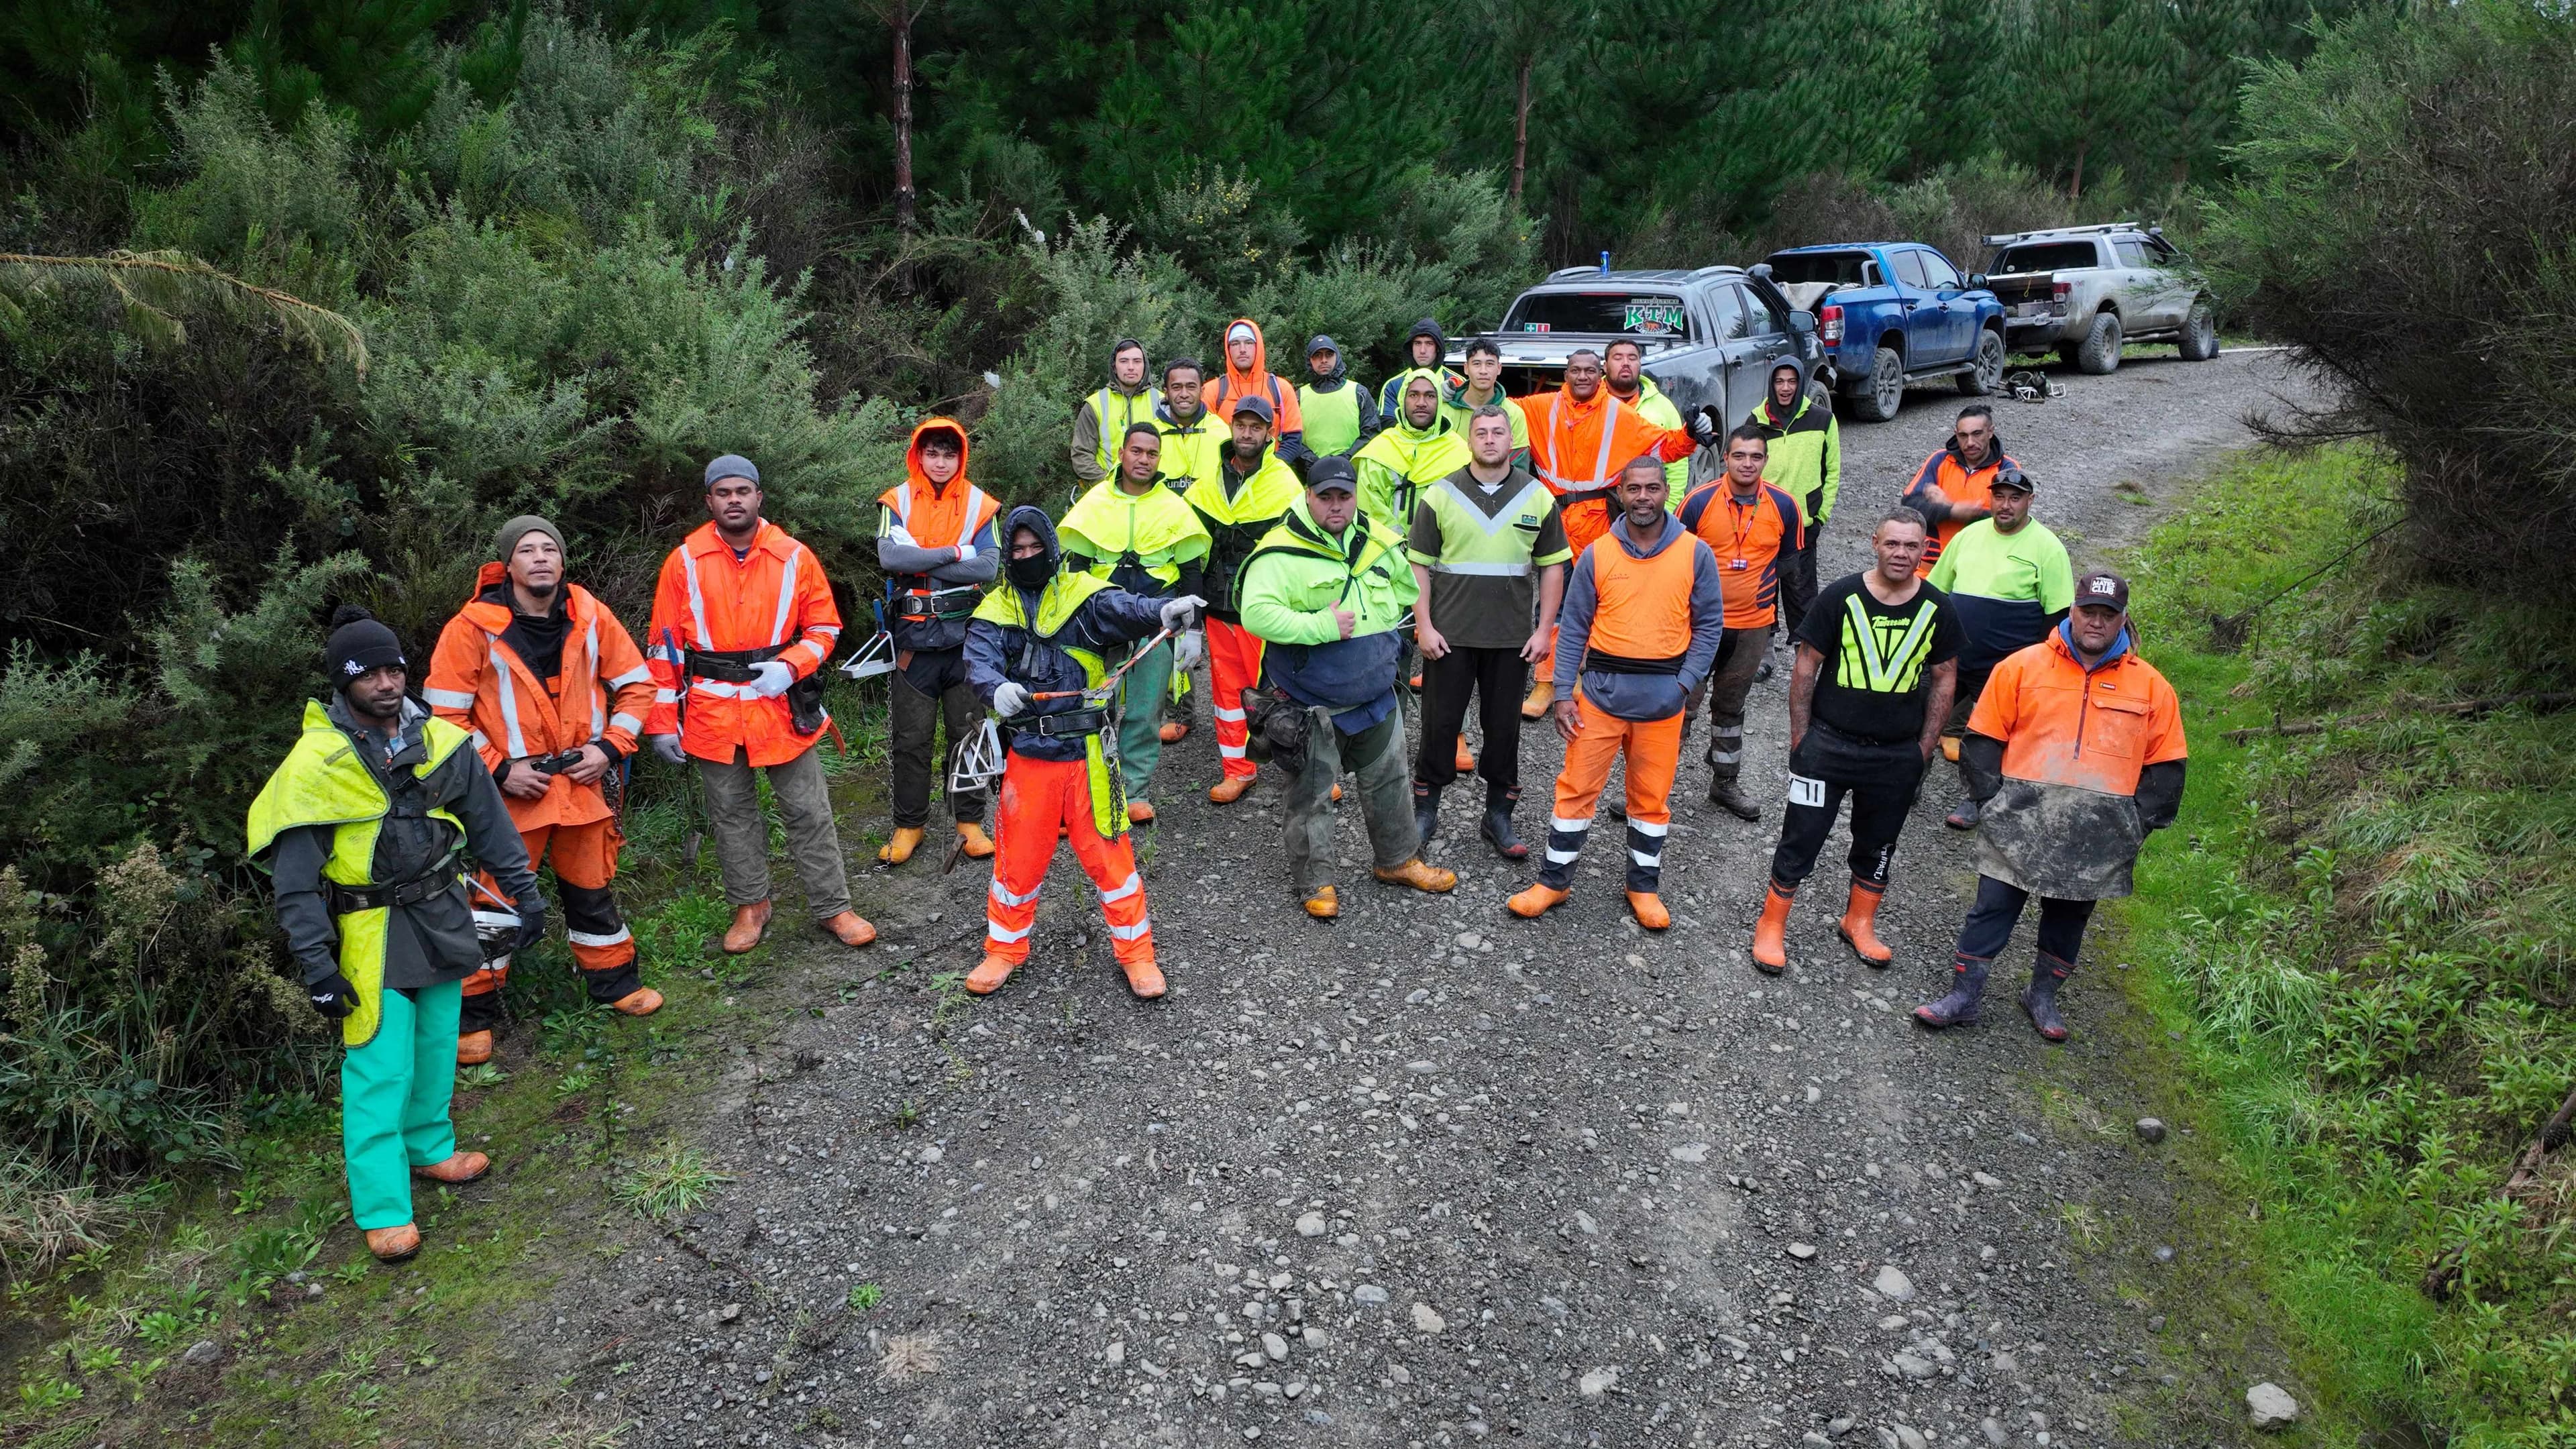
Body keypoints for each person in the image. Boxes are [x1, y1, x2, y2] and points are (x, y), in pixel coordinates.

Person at [248, 606, 545, 1262]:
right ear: (342, 682)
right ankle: (383, 1207)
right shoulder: (316, 764)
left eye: (394, 670)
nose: (386, 683)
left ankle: (430, 1148)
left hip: (443, 913)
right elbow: (296, 882)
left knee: (439, 1045)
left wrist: (525, 896)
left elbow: (491, 824)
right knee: (380, 1068)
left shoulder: (439, 742)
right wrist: (318, 966)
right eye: (369, 674)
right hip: (370, 931)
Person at [425, 516, 661, 1067]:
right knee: (493, 903)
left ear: (561, 561)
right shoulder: (472, 627)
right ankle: (473, 1017)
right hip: (509, 792)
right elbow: (443, 715)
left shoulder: (590, 613)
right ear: (507, 565)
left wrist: (608, 749)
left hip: (582, 782)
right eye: (527, 550)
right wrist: (500, 771)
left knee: (592, 888)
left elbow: (637, 686)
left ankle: (613, 983)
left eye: (549, 549)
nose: (540, 558)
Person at [1914, 573, 2185, 1040]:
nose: (2096, 622)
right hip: (2019, 818)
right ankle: (1964, 996)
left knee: (2069, 917)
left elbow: (2166, 767)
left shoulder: (2153, 687)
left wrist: (2134, 827)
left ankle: (2042, 996)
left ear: (2123, 618)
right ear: (2071, 612)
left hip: (2098, 829)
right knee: (1992, 907)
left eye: (2108, 614)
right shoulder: (2022, 667)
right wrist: (1992, 803)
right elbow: (1981, 741)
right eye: (2088, 611)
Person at [963, 508, 1203, 998]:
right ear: (1007, 556)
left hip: (1090, 757)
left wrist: (1164, 611)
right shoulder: (993, 613)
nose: (1027, 557)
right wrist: (995, 689)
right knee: (1017, 866)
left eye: (1035, 548)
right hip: (1028, 759)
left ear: (1052, 549)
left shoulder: (1084, 596)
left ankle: (1138, 956)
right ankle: (1004, 949)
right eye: (1018, 551)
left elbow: (1128, 607)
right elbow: (978, 661)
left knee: (1113, 863)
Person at [643, 455, 877, 953]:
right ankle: (751, 906)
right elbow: (663, 646)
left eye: (742, 491)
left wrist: (789, 666)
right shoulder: (683, 561)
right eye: (723, 492)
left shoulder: (793, 555)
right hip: (711, 710)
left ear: (758, 498)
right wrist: (662, 724)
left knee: (809, 810)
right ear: (710, 501)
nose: (734, 500)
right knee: (731, 815)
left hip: (780, 705)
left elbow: (825, 628)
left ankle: (834, 907)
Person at [1505, 456, 1724, 929]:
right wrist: (1564, 692)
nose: (1643, 497)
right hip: (1600, 698)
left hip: (1663, 702)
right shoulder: (1599, 554)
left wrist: (1685, 685)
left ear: (1667, 491)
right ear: (1619, 494)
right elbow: (1575, 625)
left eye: (1652, 488)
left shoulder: (1694, 553)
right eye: (1633, 489)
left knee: (1650, 799)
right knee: (1576, 790)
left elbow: (1710, 628)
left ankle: (1642, 887)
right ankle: (1553, 882)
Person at [1238, 456, 1457, 917]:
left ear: (1355, 496)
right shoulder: (1279, 552)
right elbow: (1255, 614)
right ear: (1308, 497)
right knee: (1310, 795)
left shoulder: (1378, 540)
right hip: (1310, 704)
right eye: (1325, 497)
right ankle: (1315, 882)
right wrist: (1321, 624)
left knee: (1391, 782)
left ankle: (1398, 860)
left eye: (1344, 496)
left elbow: (1406, 591)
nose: (1336, 506)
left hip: (1377, 695)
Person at [1749, 511, 1961, 973]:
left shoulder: (1938, 607)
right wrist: (1801, 739)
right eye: (1893, 544)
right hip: (1827, 745)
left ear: (1925, 549)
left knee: (1880, 842)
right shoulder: (1841, 596)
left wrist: (1923, 748)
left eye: (1911, 546)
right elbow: (1806, 667)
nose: (1901, 554)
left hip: (1895, 754)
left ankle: (1859, 922)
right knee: (1800, 836)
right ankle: (1772, 924)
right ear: (1875, 543)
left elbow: (1945, 679)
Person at [1408, 405, 1570, 859]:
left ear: (1511, 441)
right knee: (1439, 726)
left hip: (1511, 641)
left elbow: (1553, 568)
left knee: (1503, 732)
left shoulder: (1537, 496)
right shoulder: (1440, 495)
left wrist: (1544, 631)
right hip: (1450, 637)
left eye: (1499, 432)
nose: (1491, 440)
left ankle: (1498, 814)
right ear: (1470, 440)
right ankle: (1425, 812)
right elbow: (1418, 565)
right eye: (1482, 432)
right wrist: (1423, 625)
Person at [1515, 349, 1715, 717]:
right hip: (1554, 518)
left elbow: (1662, 446)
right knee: (1552, 602)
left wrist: (1692, 434)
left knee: (1597, 602)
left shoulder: (1619, 416)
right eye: (1576, 370)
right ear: (1567, 373)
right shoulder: (1541, 408)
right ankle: (1547, 682)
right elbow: (1497, 409)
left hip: (1596, 521)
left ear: (1601, 373)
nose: (1583, 377)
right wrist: (1455, 391)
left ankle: (1586, 676)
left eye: (1591, 370)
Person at [1058, 424, 1212, 822]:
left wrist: (1194, 630)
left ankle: (1134, 790)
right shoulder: (1094, 503)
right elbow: (1075, 568)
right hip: (1101, 623)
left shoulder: (1175, 508)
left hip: (1155, 624)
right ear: (1122, 454)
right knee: (1094, 709)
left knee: (1146, 711)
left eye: (1152, 454)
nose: (1144, 460)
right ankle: (1089, 791)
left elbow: (1191, 573)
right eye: (1137, 451)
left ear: (1159, 459)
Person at [873, 419, 1002, 866]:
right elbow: (891, 557)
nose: (941, 461)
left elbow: (987, 568)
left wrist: (922, 561)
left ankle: (968, 821)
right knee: (911, 739)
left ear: (960, 456)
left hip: (967, 640)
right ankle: (910, 825)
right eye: (933, 453)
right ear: (918, 454)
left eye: (949, 453)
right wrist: (954, 552)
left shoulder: (980, 504)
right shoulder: (898, 500)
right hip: (913, 641)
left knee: (969, 733)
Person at [1924, 466, 2073, 828]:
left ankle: (1978, 799)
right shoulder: (1969, 535)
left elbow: (2059, 615)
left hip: (2007, 666)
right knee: (1922, 716)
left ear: (2030, 501)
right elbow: (1936, 591)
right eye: (1999, 497)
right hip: (1953, 657)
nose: (2005, 505)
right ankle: (1906, 783)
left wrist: (2040, 666)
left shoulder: (2047, 547)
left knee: (1988, 735)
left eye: (2015, 498)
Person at [1182, 394, 1308, 803]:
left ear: (1270, 434)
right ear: (1231, 428)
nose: (1248, 433)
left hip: (1269, 608)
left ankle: (1306, 768)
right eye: (1242, 426)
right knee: (1228, 692)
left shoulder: (1285, 482)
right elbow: (1189, 550)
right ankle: (1238, 769)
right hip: (1220, 608)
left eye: (1257, 427)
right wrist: (1192, 615)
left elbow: (1301, 550)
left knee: (1287, 687)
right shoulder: (1208, 485)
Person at [1676, 427, 1803, 820]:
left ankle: (1725, 783)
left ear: (1766, 461)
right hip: (1700, 627)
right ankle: (1651, 786)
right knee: (1679, 706)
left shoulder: (1784, 505)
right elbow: (1674, 562)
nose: (1747, 464)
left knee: (1731, 707)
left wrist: (1773, 629)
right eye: (1739, 456)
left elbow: (1790, 566)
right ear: (1726, 459)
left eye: (1755, 457)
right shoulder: (1698, 502)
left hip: (1752, 628)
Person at [1151, 357, 1224, 745]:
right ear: (1167, 390)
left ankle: (1239, 712)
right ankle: (1180, 712)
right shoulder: (1150, 433)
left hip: (1214, 548)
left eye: (1190, 387)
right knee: (1175, 627)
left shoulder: (1219, 431)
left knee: (1225, 637)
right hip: (1167, 545)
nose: (1183, 394)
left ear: (1201, 390)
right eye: (1176, 387)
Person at [1744, 357, 1839, 639]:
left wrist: (1820, 517)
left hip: (1804, 524)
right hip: (1763, 522)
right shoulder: (1756, 421)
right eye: (1779, 381)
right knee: (1763, 590)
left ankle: (1803, 654)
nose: (1785, 388)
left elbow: (1832, 472)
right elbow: (1746, 472)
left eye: (1792, 381)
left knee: (1802, 593)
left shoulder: (1822, 420)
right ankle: (1765, 653)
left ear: (1801, 383)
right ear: (1772, 384)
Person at [1899, 403, 2019, 577]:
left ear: (1990, 432)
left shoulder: (2006, 468)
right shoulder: (1940, 460)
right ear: (1956, 433)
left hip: (1982, 570)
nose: (1970, 443)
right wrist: (1952, 511)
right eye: (1963, 436)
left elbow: (2011, 520)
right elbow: (1910, 505)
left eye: (1977, 434)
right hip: (1930, 570)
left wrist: (1951, 506)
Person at [1353, 372, 1468, 529]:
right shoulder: (1380, 449)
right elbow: (1371, 509)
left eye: (1430, 396)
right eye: (1414, 395)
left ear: (1440, 402)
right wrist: (1397, 545)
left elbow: (1465, 513)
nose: (1421, 403)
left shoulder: (1460, 452)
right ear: (1402, 400)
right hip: (1388, 549)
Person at [1203, 319, 1309, 466]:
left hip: (1271, 475)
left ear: (1258, 346)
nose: (1242, 349)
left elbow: (1293, 438)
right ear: (1228, 349)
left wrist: (1272, 469)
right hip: (1226, 474)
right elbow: (1204, 439)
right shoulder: (1212, 390)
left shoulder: (1281, 388)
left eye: (1248, 343)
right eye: (1235, 344)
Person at [1069, 339, 1164, 485]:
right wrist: (1108, 483)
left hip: (1155, 492)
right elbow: (1081, 454)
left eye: (1137, 361)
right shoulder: (1095, 404)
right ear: (1114, 366)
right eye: (1124, 361)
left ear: (1145, 365)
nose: (1131, 367)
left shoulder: (1163, 402)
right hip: (1108, 494)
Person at [1603, 339, 1692, 494]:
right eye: (1618, 358)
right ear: (1605, 366)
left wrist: (1668, 507)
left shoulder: (1663, 407)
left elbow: (1677, 467)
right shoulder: (1589, 404)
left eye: (1632, 358)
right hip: (1596, 508)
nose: (1625, 363)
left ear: (1640, 364)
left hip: (1647, 504)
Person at [1440, 338, 1530, 465]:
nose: (1483, 371)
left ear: (1499, 368)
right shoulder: (1444, 411)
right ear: (1466, 368)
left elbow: (1518, 467)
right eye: (1477, 364)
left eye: (1489, 364)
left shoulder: (1514, 414)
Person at [1296, 334, 1381, 460]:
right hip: (1311, 473)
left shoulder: (1359, 393)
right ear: (1310, 360)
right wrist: (1311, 461)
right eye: (1317, 355)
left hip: (1353, 470)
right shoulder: (1298, 396)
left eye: (1329, 355)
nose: (1324, 360)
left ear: (1337, 357)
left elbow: (1372, 432)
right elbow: (1290, 436)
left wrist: (1347, 457)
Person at [1378, 317, 1463, 421]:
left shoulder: (1457, 382)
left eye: (1429, 344)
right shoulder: (1393, 385)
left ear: (1438, 348)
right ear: (1411, 348)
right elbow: (1387, 425)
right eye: (1418, 343)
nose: (1422, 351)